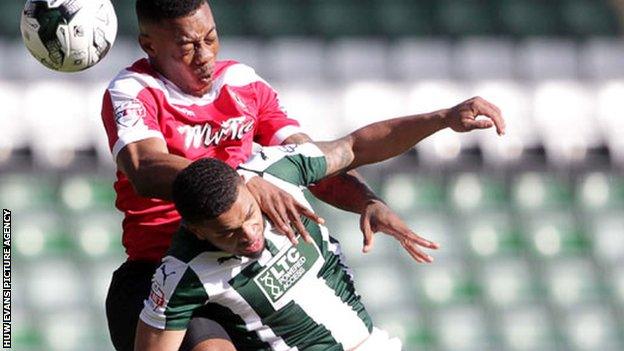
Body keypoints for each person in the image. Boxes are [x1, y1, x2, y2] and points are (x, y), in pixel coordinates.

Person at [100, 1, 428, 350]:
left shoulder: (243, 83)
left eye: (210, 38)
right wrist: (243, 182)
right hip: (164, 273)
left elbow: (308, 159)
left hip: (243, 268)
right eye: (187, 46)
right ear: (149, 45)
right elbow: (145, 167)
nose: (205, 55)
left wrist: (367, 201)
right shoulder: (133, 91)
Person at [134, 96, 505, 351]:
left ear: (248, 186)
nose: (249, 235)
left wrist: (442, 118)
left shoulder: (276, 171)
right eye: (227, 233)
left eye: (249, 215)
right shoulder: (182, 274)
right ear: (197, 231)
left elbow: (354, 147)